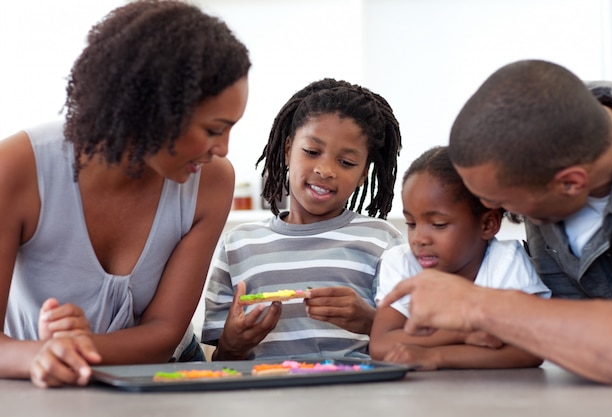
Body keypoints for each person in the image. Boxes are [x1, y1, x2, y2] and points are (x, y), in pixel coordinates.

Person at [0, 0, 250, 388]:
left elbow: (164, 332)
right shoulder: (17, 168)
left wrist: (79, 344)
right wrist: (41, 353)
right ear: (152, 110)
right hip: (32, 380)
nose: (224, 149)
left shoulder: (211, 183)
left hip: (164, 372)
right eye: (215, 129)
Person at [381, 59, 612, 384]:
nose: (489, 212)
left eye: (504, 202)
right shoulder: (547, 139)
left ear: (570, 183)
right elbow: (569, 340)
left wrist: (478, 307)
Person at [202, 78, 404, 360]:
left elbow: (409, 344)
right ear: (287, 150)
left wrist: (371, 321)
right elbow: (221, 362)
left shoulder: (381, 240)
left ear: (362, 176)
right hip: (262, 398)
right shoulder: (238, 245)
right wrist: (232, 345)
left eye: (346, 162)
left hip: (355, 396)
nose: (325, 169)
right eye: (311, 152)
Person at [371, 146, 550, 370]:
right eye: (411, 224)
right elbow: (381, 344)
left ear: (488, 224)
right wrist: (461, 333)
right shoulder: (401, 262)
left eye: (438, 224)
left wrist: (434, 357)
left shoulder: (506, 262)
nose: (419, 239)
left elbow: (529, 351)